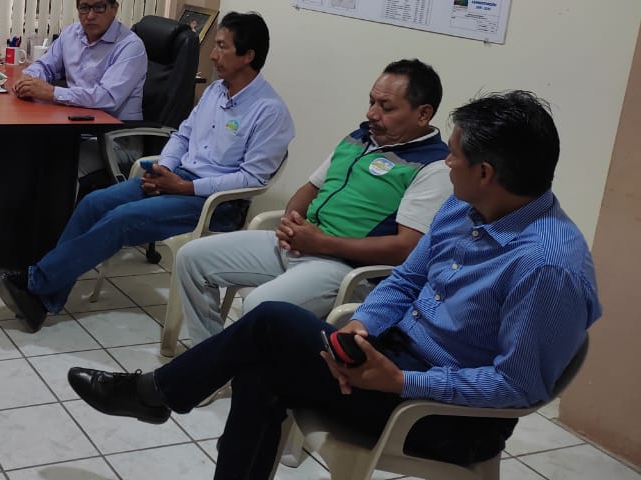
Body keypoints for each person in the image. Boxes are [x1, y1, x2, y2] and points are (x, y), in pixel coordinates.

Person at [68, 91, 601, 480]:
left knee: (270, 326)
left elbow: (518, 387)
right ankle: (157, 395)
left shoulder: (548, 266)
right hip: (391, 355)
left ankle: (155, 394)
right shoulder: (465, 207)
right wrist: (363, 325)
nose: (447, 161)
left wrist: (402, 382)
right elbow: (406, 280)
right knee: (261, 366)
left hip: (445, 416)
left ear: (485, 173)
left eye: (455, 155)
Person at [0, 12, 295, 332]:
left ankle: (33, 282)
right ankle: (42, 301)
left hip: (216, 203)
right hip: (176, 178)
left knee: (121, 220)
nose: (212, 54)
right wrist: (165, 168)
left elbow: (252, 179)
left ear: (248, 56)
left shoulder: (269, 112)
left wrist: (184, 187)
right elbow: (182, 136)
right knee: (93, 203)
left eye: (222, 46)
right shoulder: (215, 91)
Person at [175, 59, 452, 343]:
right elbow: (308, 190)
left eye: (387, 107)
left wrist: (321, 243)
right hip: (303, 245)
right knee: (191, 258)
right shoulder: (359, 139)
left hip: (347, 268)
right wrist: (290, 223)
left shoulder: (434, 166)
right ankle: (208, 356)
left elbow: (406, 249)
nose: (371, 113)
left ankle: (234, 364)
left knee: (261, 305)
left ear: (423, 114)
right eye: (371, 101)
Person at [10, 0, 147, 120]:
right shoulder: (71, 34)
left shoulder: (130, 46)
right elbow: (45, 65)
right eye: (84, 8)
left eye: (99, 7)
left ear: (114, 8)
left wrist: (52, 92)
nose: (90, 16)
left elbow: (108, 97)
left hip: (114, 129)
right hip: (76, 119)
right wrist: (29, 79)